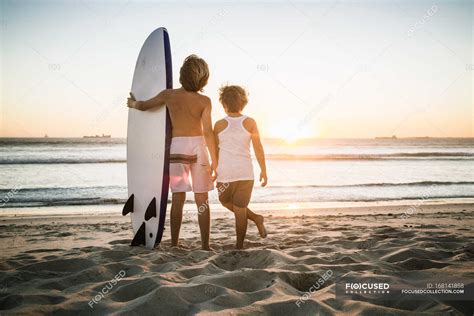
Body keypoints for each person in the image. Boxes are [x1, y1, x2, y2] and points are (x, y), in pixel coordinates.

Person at [127, 55, 216, 251]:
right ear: (203, 78)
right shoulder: (205, 101)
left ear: (182, 75)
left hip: (177, 149)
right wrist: (215, 161)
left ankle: (175, 243)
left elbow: (144, 106)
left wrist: (133, 104)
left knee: (178, 198)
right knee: (202, 199)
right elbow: (208, 133)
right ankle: (205, 245)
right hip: (199, 149)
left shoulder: (169, 95)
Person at [214, 85, 267, 249]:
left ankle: (239, 246)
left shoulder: (219, 125)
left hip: (226, 174)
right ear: (243, 102)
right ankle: (256, 219)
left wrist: (213, 169)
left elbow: (214, 151)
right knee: (237, 207)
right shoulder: (250, 122)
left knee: (234, 206)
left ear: (223, 104)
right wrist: (263, 170)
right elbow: (258, 148)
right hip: (245, 173)